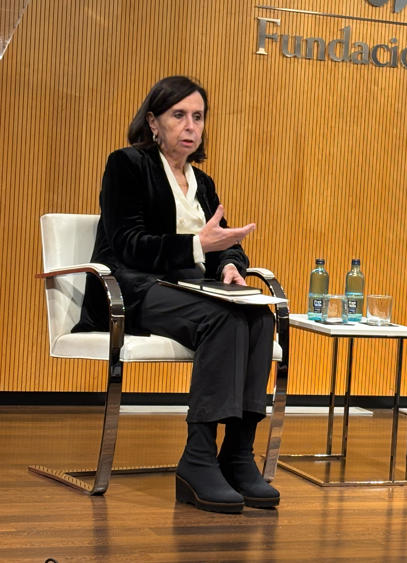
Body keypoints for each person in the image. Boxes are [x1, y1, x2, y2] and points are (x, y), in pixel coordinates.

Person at [74, 76, 279, 514]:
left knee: (260, 316)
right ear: (154, 122)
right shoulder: (127, 165)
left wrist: (229, 266)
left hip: (189, 290)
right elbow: (127, 243)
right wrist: (197, 246)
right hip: (132, 289)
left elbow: (225, 243)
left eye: (198, 117)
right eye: (179, 115)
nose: (190, 126)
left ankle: (238, 454)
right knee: (222, 318)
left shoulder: (202, 182)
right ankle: (198, 459)